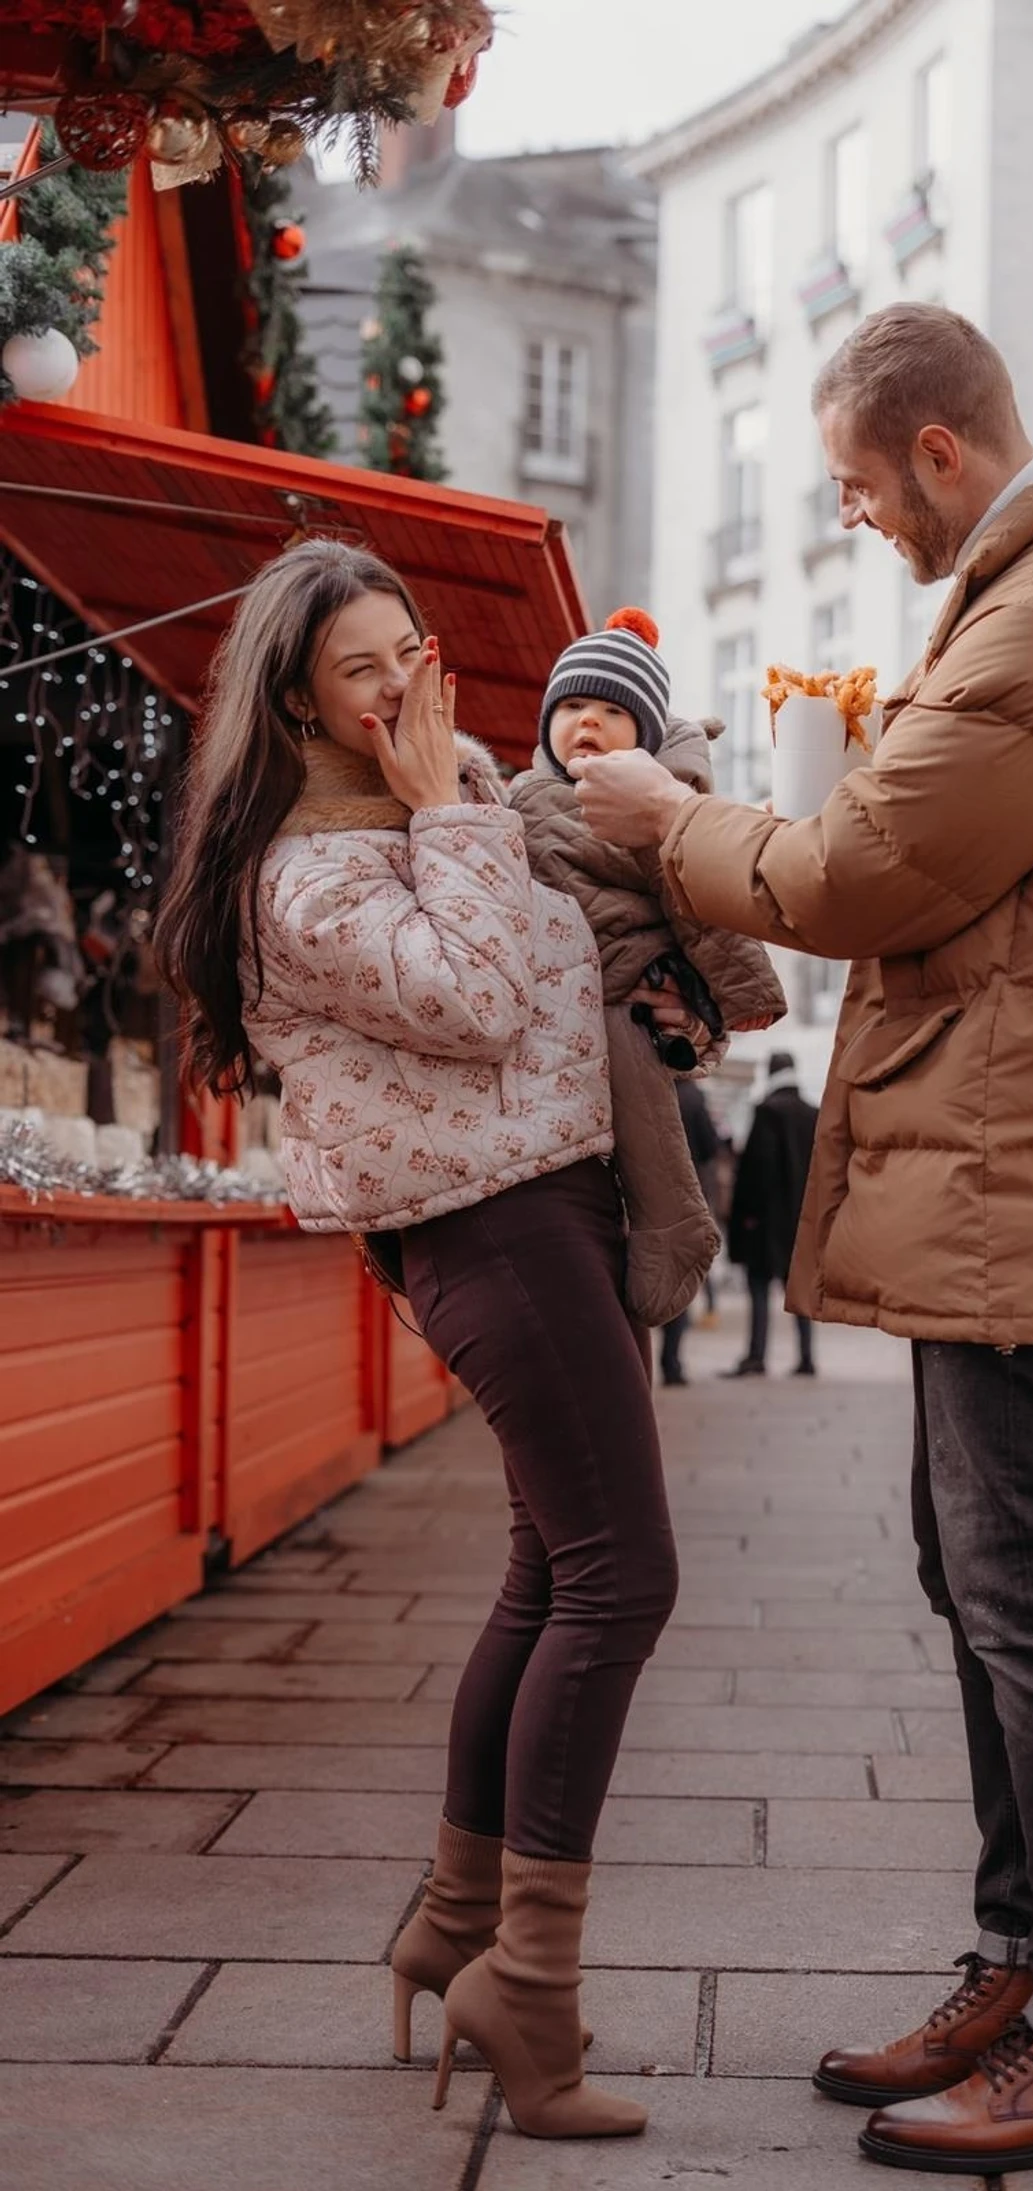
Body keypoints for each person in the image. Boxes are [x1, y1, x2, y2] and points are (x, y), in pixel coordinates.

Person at [570, 302, 1033, 2176]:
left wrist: (665, 816)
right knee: (984, 1576)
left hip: (1028, 1169)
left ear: (939, 455)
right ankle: (1032, 1968)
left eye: (859, 486)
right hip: (1003, 1161)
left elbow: (857, 872)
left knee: (1027, 1589)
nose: (856, 517)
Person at [154, 538, 688, 2144]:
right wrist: (458, 814)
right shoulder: (305, 872)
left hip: (553, 1199)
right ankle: (532, 1987)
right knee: (623, 1573)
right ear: (301, 707)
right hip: (485, 1223)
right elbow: (472, 996)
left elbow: (549, 970)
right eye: (365, 671)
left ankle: (457, 1925)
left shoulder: (434, 803)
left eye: (414, 652)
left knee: (551, 1570)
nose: (410, 690)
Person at [508, 607, 783, 1335]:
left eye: (609, 711)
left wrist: (739, 992)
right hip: (547, 1005)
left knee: (640, 1098)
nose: (586, 723)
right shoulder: (519, 799)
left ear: (647, 737)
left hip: (628, 986)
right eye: (570, 707)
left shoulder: (647, 806)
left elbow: (696, 902)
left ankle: (674, 1221)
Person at [723, 1050, 819, 1379]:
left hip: (767, 1221)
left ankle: (756, 1355)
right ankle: (807, 1358)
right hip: (803, 1220)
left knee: (759, 1286)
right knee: (800, 1289)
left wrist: (746, 1214)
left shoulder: (766, 1112)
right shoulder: (813, 1113)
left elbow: (756, 1170)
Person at [660, 1076, 725, 1386]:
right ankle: (671, 1362)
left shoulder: (647, 1081)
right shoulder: (694, 1096)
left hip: (646, 1194)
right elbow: (711, 1147)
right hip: (687, 1194)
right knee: (680, 1277)